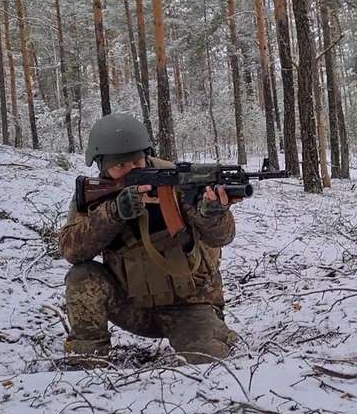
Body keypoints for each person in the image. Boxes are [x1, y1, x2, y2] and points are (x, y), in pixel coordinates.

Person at [58, 112, 240, 365]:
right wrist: (113, 213)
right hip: (133, 306)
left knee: (212, 362)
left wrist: (213, 214)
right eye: (119, 166)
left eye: (137, 163)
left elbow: (223, 236)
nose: (130, 172)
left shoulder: (177, 181)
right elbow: (71, 251)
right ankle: (88, 359)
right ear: (101, 166)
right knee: (82, 276)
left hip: (189, 305)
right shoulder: (97, 194)